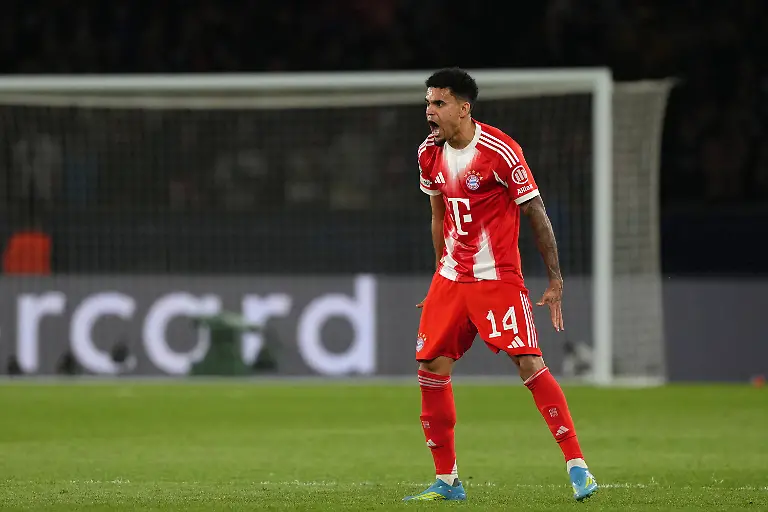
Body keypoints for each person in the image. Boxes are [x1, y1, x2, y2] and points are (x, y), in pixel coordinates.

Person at [403, 68, 598, 502]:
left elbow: (536, 213)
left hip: (497, 279)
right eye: (428, 103)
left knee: (529, 363)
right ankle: (447, 482)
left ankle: (577, 466)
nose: (430, 112)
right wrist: (438, 275)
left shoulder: (501, 151)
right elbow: (438, 216)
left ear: (463, 107)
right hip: (452, 278)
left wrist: (555, 278)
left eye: (439, 103)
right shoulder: (427, 154)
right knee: (431, 370)